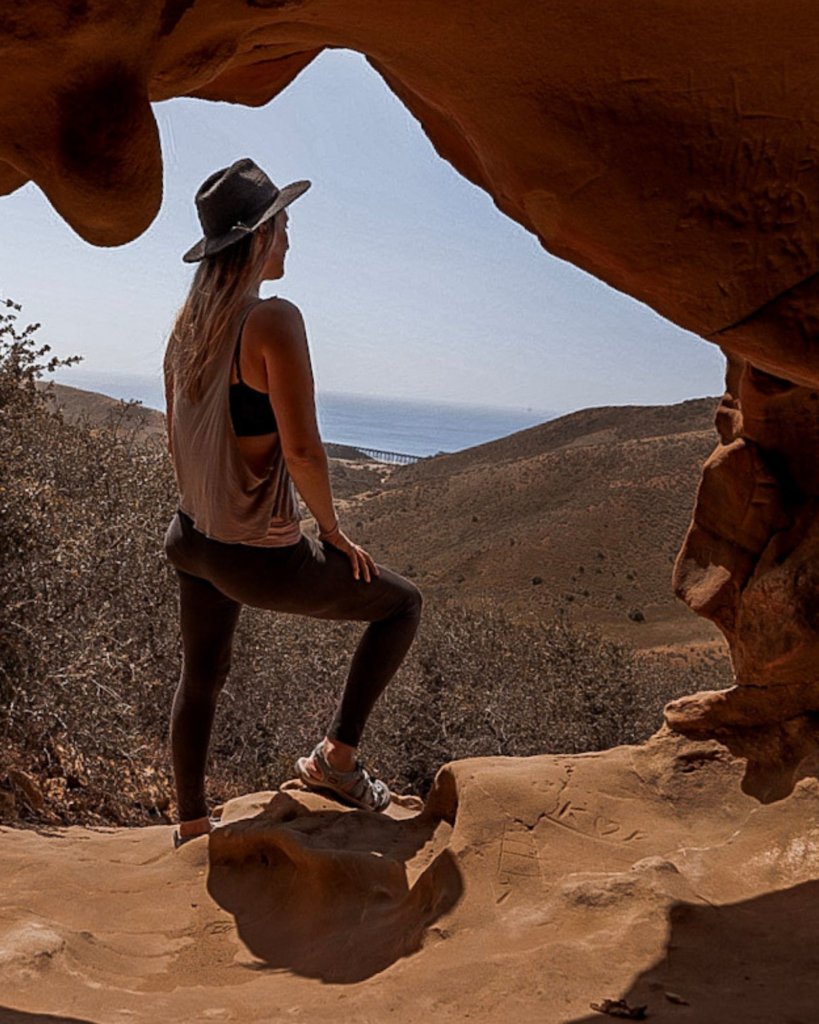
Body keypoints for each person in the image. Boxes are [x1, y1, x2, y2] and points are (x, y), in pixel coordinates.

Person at [162, 158, 423, 848]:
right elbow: (304, 450)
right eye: (283, 226)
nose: (288, 240)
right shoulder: (272, 320)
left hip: (190, 540)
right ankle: (336, 761)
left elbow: (175, 439)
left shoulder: (188, 326)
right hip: (255, 555)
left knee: (200, 678)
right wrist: (332, 533)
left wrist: (209, 513)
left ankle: (190, 822)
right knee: (401, 604)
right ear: (256, 238)